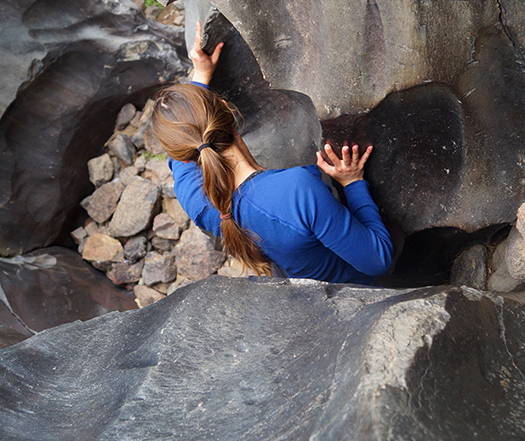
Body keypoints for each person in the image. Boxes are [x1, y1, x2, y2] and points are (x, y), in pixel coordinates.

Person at [151, 22, 393, 284]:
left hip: (295, 284)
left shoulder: (193, 199)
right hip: (352, 289)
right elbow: (378, 261)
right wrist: (353, 183)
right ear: (224, 106)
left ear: (182, 155)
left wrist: (200, 78)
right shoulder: (296, 193)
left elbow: (187, 145)